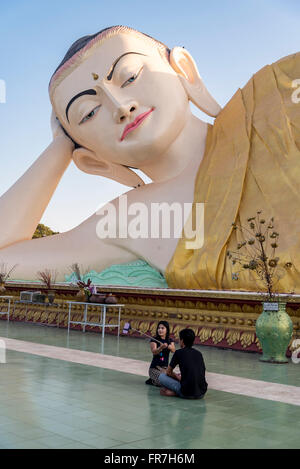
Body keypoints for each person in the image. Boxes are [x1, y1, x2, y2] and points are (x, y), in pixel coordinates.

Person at [1, 25, 300, 294]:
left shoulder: (280, 96)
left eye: (130, 76)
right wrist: (59, 149)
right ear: (92, 160)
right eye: (88, 112)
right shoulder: (134, 219)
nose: (121, 106)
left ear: (184, 70)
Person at [158, 328, 207, 399]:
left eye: (179, 339)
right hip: (201, 393)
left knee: (161, 376)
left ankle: (176, 393)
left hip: (186, 393)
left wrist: (177, 377)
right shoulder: (199, 354)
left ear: (182, 341)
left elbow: (168, 372)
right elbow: (201, 373)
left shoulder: (178, 352)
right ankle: (176, 392)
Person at [146, 320, 175, 387]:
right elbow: (154, 352)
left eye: (162, 328)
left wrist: (168, 346)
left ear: (167, 330)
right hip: (154, 368)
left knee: (173, 380)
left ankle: (155, 380)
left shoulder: (170, 340)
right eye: (159, 328)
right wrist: (161, 348)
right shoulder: (154, 339)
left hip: (165, 369)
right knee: (164, 383)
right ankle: (153, 381)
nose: (160, 330)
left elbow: (173, 350)